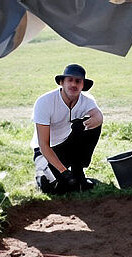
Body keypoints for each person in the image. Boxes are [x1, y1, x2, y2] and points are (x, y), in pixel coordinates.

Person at [31, 64, 103, 194]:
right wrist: (64, 172)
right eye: (70, 80)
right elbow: (43, 144)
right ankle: (46, 173)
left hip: (68, 145)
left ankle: (78, 170)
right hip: (46, 150)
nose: (73, 85)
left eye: (78, 81)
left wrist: (90, 122)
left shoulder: (87, 100)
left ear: (83, 85)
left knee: (92, 125)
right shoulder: (44, 102)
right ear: (61, 82)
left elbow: (98, 117)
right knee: (53, 188)